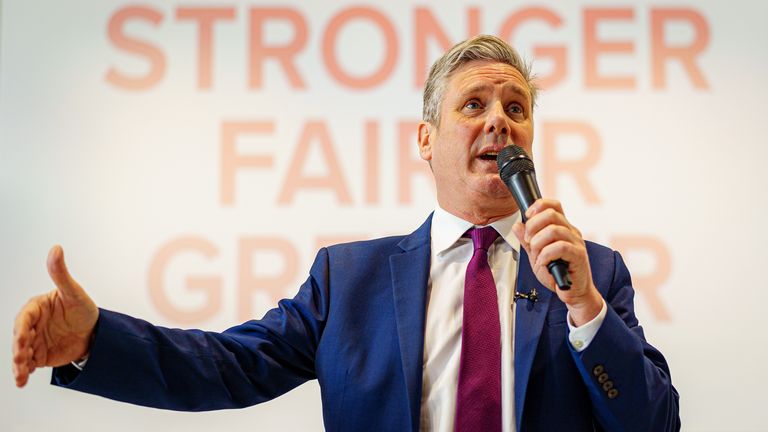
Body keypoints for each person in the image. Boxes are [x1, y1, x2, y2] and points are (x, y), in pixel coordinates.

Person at [12, 35, 680, 431]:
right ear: (426, 138)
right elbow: (228, 366)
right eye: (473, 105)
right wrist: (94, 343)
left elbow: (654, 424)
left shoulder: (592, 274)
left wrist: (586, 309)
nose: (499, 123)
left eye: (516, 108)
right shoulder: (348, 280)